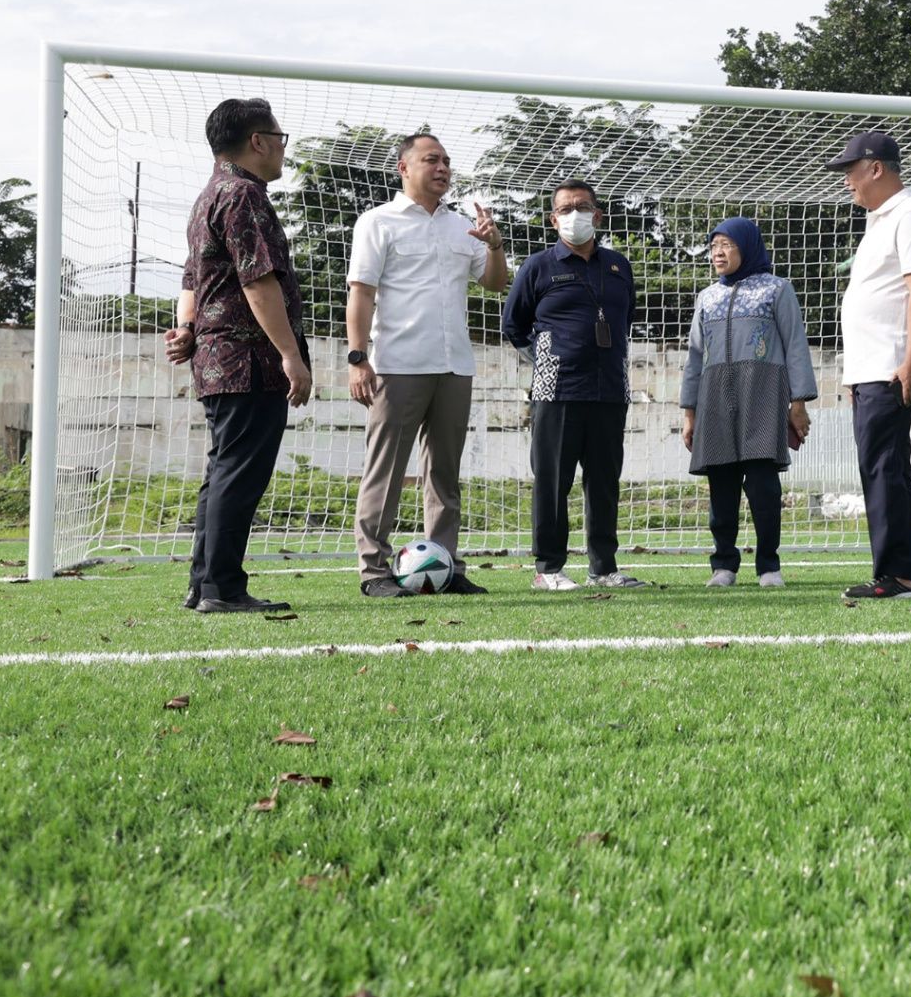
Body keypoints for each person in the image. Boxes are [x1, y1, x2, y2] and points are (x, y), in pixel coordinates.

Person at [345, 134, 509, 597]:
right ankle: (374, 571)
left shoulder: (464, 227)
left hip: (454, 365)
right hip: (396, 365)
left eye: (447, 161)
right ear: (403, 167)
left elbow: (495, 283)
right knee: (387, 470)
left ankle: (446, 565)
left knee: (444, 474)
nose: (442, 167)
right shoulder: (378, 222)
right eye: (431, 159)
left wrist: (495, 245)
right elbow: (361, 293)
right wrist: (359, 359)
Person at [164, 98, 310, 613]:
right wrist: (290, 355)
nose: (280, 148)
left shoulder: (208, 196)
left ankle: (204, 583)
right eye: (279, 136)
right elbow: (256, 280)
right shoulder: (244, 195)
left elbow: (193, 276)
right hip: (247, 361)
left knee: (223, 471)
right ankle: (221, 588)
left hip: (217, 360)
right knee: (238, 474)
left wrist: (186, 327)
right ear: (258, 141)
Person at [500, 180, 648, 590]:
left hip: (609, 391)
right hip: (557, 391)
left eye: (581, 207)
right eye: (565, 209)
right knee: (553, 481)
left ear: (597, 215)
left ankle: (604, 568)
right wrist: (545, 357)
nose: (573, 215)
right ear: (553, 219)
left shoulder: (619, 266)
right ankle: (548, 569)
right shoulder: (538, 266)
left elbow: (626, 318)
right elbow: (513, 324)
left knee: (604, 482)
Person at [829, 130, 911, 601]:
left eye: (851, 172)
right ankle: (900, 573)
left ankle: (898, 577)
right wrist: (854, 374)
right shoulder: (879, 220)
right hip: (870, 369)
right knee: (884, 466)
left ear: (876, 168)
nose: (847, 182)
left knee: (884, 467)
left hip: (891, 368)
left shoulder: (910, 215)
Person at [678, 218, 817, 588]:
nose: (718, 253)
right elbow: (694, 358)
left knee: (762, 486)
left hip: (762, 395)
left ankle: (769, 566)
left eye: (727, 245)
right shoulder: (707, 297)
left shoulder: (777, 289)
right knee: (721, 485)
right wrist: (689, 413)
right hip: (715, 399)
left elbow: (796, 346)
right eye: (713, 246)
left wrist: (798, 403)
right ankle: (723, 565)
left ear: (747, 247)